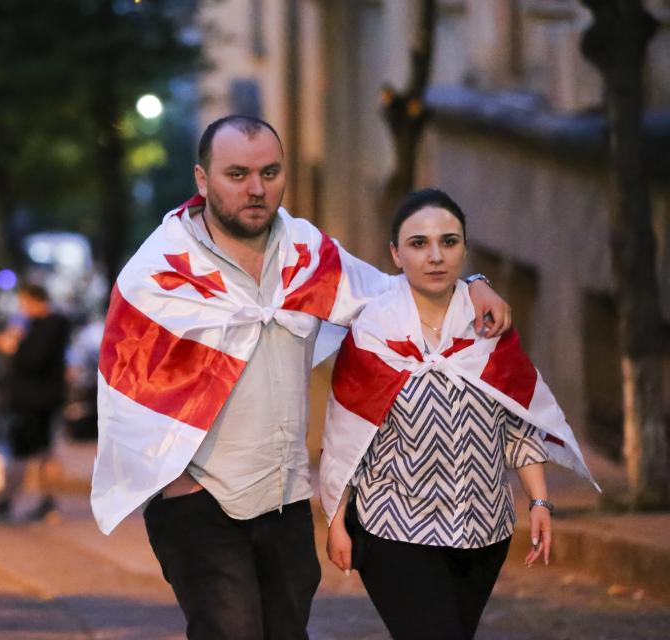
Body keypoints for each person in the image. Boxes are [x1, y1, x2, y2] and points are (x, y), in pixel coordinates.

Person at [91, 115, 512, 640]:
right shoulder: (159, 270)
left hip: (286, 497)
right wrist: (177, 483)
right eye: (237, 174)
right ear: (202, 181)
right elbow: (124, 385)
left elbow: (391, 299)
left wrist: (472, 283)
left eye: (269, 173)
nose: (256, 189)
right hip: (201, 499)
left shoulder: (306, 253)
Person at [321, 188, 599, 640]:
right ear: (395, 253)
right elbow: (343, 438)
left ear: (464, 249)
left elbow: (518, 422)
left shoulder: (489, 327)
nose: (435, 256)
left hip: (482, 530)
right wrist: (337, 524)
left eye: (449, 242)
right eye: (418, 244)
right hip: (394, 527)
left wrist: (541, 500)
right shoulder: (371, 333)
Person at [0, 283, 69, 522]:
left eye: (24, 302)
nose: (22, 308)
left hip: (36, 401)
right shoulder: (48, 326)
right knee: (41, 452)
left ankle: (7, 502)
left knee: (29, 452)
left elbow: (33, 361)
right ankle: (42, 502)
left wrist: (14, 347)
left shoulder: (48, 326)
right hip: (40, 399)